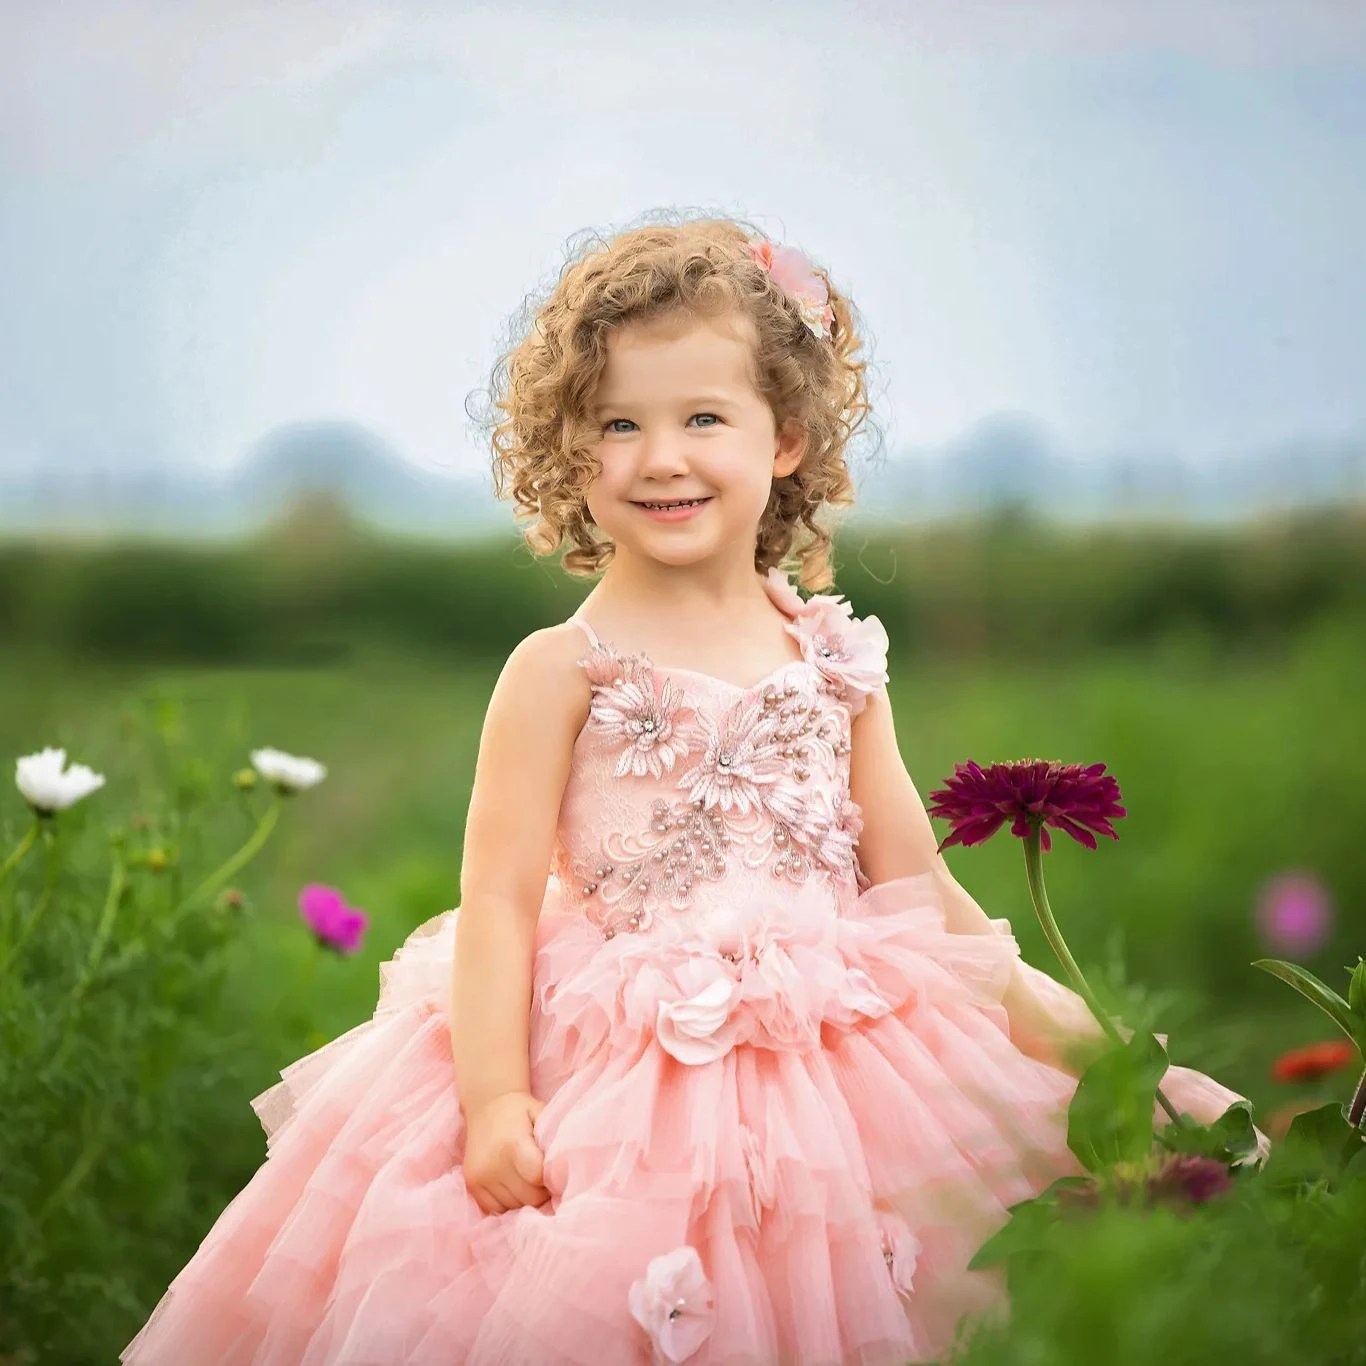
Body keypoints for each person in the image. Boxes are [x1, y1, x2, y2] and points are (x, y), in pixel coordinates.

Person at [122, 215, 1265, 1366]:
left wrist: (1052, 1017)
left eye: (701, 418)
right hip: (622, 1077)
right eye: (617, 424)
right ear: (572, 453)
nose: (658, 456)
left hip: (844, 1064)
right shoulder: (556, 667)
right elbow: (501, 898)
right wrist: (493, 1100)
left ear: (786, 439)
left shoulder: (829, 651)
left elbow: (913, 882)